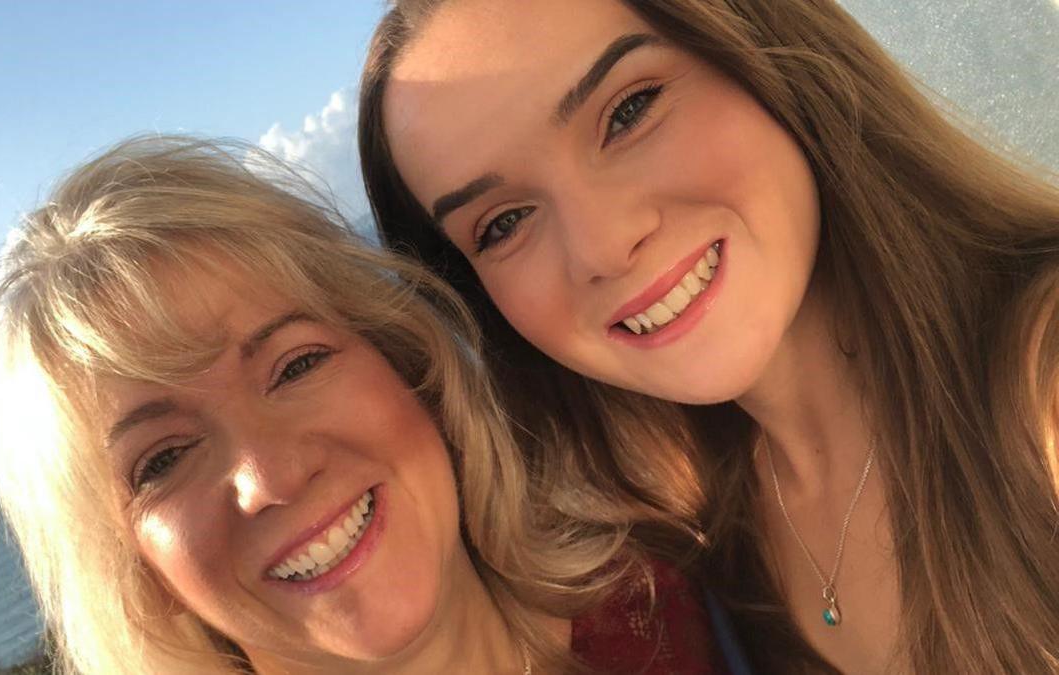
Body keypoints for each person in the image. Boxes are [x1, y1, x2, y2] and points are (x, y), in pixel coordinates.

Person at [357, 0, 1059, 672]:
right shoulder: (698, 545)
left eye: (628, 111)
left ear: (765, 53)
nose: (602, 246)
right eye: (503, 223)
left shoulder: (1040, 375)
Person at [0, 136, 726, 674]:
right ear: (134, 578)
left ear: (411, 369)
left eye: (295, 364)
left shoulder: (687, 588)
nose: (271, 474)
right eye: (163, 459)